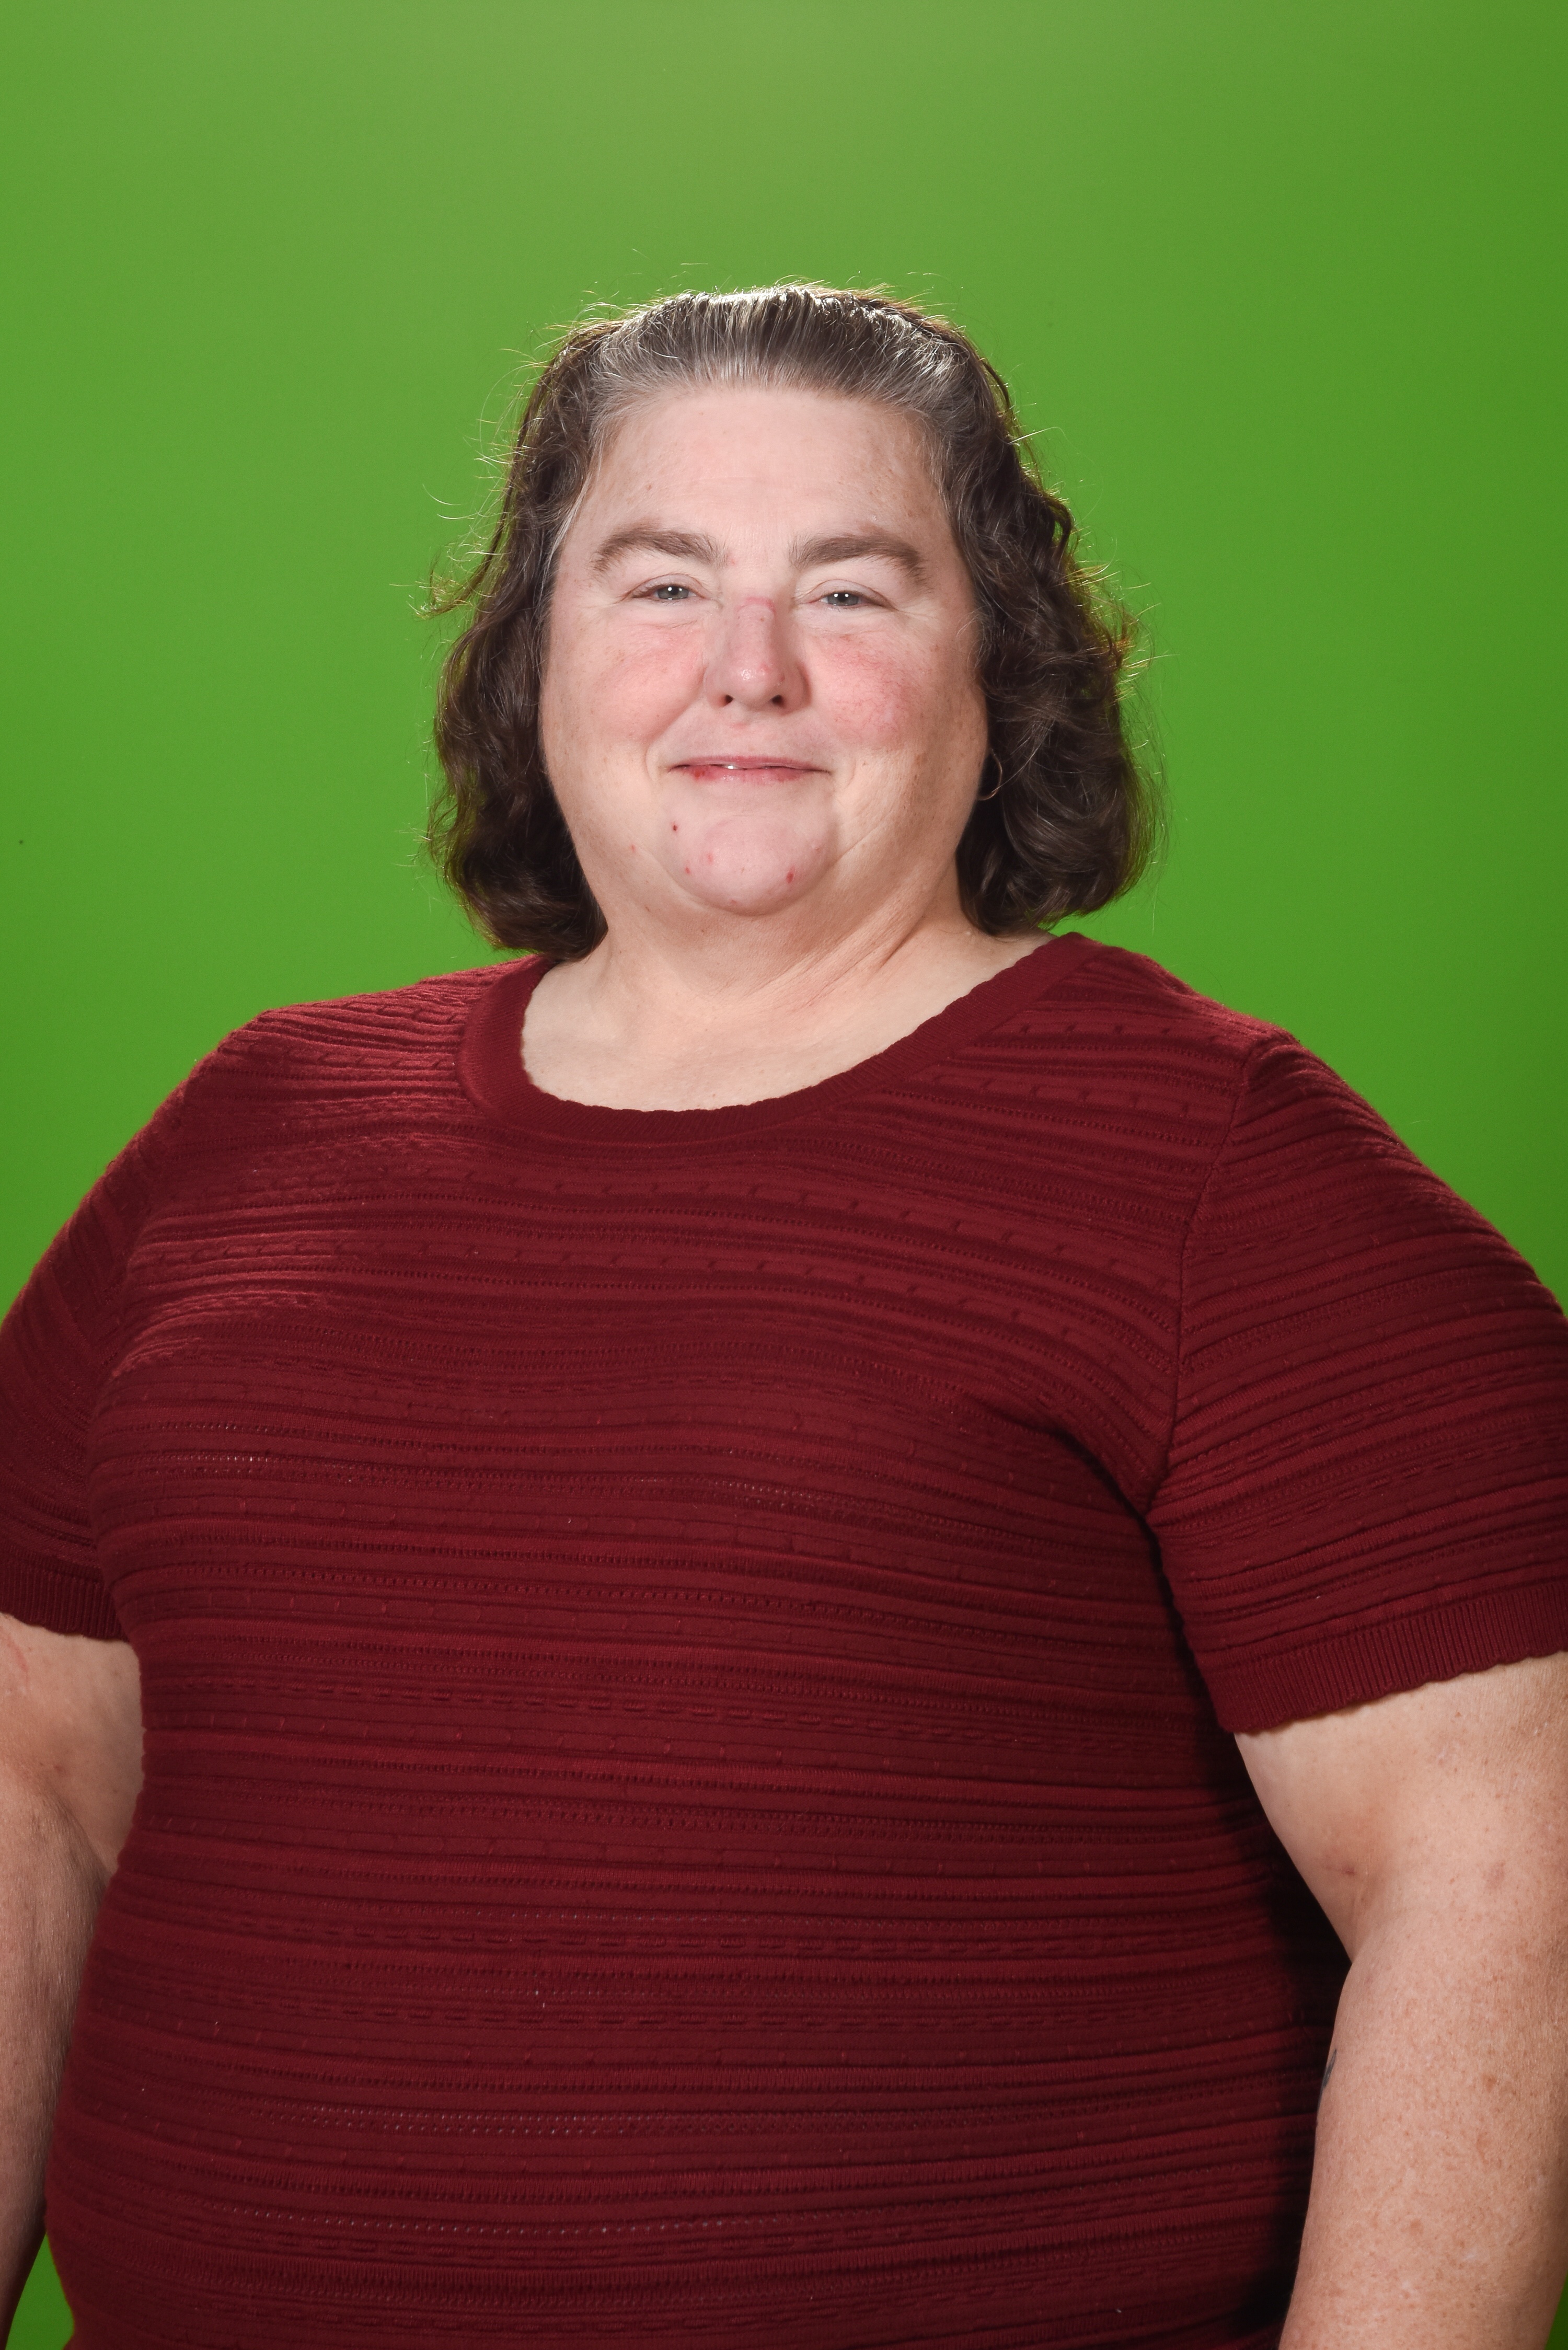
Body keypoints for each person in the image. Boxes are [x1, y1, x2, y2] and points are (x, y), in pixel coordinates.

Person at [1, 284, 1565, 2350]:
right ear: (534, 664)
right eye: (662, 584)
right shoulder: (255, 1123)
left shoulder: (1219, 1159)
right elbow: (34, 1787)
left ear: (998, 675)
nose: (749, 666)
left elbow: (1512, 1865)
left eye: (849, 588)